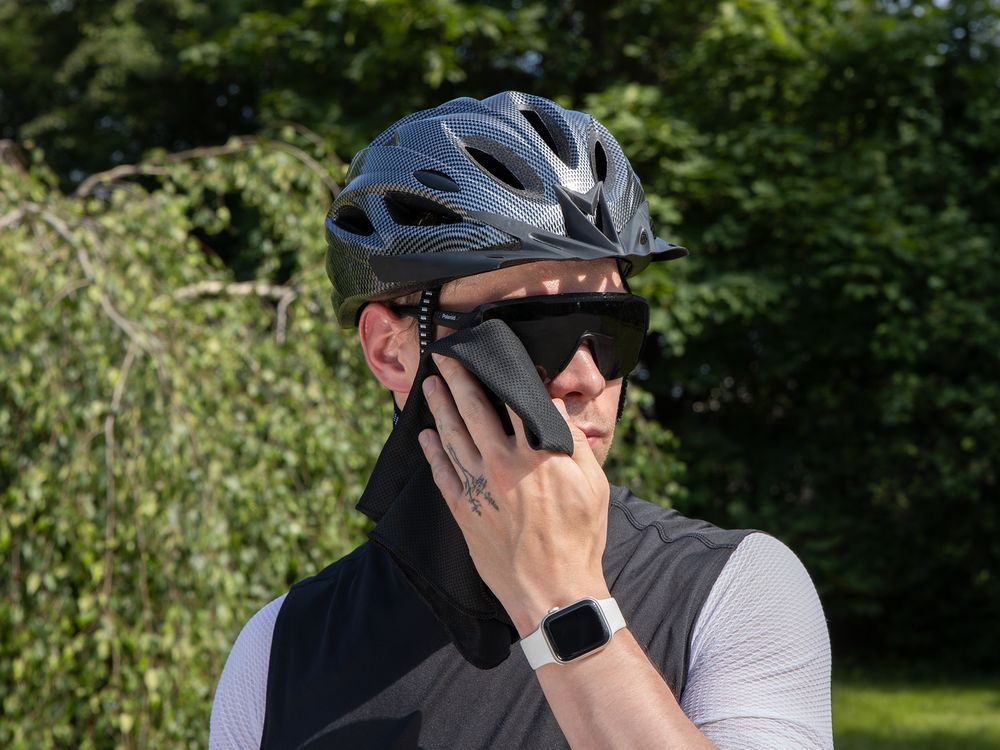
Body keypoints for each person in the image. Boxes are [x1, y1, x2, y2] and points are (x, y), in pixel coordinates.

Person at [209, 91, 832, 749]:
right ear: (390, 351)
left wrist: (563, 601)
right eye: (533, 333)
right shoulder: (279, 648)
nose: (587, 377)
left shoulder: (733, 589)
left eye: (613, 329)